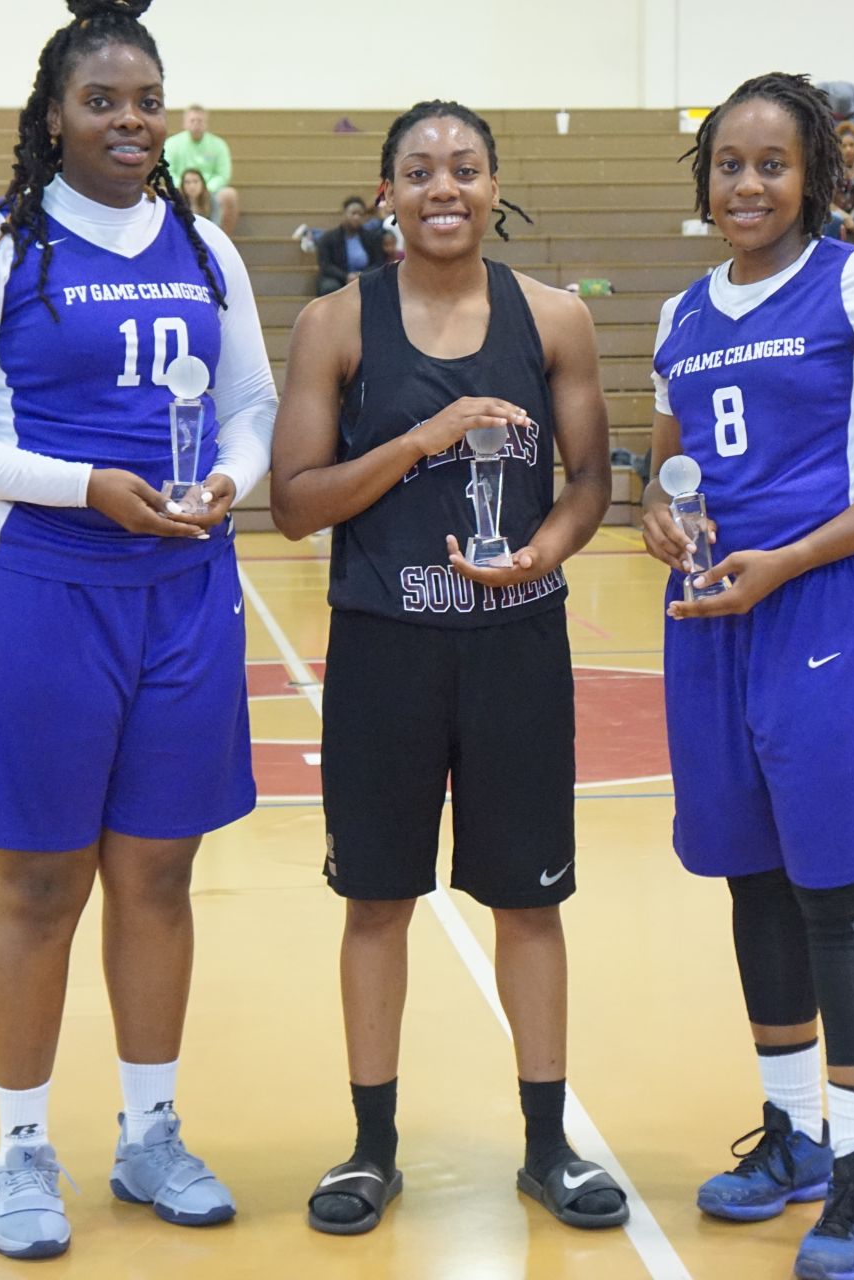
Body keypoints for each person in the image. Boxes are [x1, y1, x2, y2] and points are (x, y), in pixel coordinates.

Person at [0, 0, 277, 1259]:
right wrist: (80, 483)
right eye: (102, 100)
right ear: (53, 113)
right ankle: (20, 1147)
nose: (129, 120)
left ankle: (152, 1130)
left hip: (182, 586)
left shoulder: (208, 246)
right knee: (41, 880)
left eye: (147, 100)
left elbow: (253, 403)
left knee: (160, 871)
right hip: (38, 587)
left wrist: (231, 481)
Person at [270, 99, 626, 1237]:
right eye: (419, 169)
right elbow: (292, 505)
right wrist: (417, 442)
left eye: (465, 168)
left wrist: (545, 551)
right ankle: (373, 1148)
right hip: (383, 646)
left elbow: (589, 481)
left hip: (519, 644)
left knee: (529, 902)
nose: (443, 187)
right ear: (386, 191)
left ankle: (545, 1147)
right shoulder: (336, 324)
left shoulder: (556, 317)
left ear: (492, 184)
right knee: (377, 901)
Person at [640, 72, 854, 1280]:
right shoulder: (681, 314)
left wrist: (792, 557)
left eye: (773, 164)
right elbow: (664, 472)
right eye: (729, 162)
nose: (748, 183)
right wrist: (658, 523)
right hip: (716, 613)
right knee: (756, 880)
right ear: (705, 175)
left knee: (841, 887)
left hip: (827, 606)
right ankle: (795, 1138)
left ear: (816, 175)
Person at [162, 104, 239, 235]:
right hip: (180, 190)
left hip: (210, 191)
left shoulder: (218, 145)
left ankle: (219, 242)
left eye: (200, 121)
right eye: (192, 120)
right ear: (185, 123)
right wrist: (185, 187)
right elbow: (167, 171)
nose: (196, 124)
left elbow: (223, 174)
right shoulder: (172, 144)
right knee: (162, 194)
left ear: (206, 124)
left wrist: (204, 188)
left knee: (229, 195)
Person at [313, 195, 391, 295]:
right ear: (344, 214)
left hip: (366, 277)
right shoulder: (328, 238)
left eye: (360, 214)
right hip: (338, 278)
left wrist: (361, 276)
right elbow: (326, 265)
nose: (357, 217)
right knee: (329, 287)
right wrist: (346, 276)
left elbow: (378, 263)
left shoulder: (372, 238)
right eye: (353, 213)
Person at [817, 80, 854, 163]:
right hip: (829, 127)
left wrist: (848, 125)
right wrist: (836, 130)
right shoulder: (821, 90)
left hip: (852, 124)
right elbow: (818, 122)